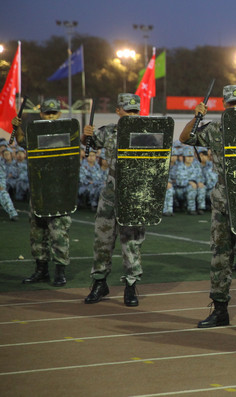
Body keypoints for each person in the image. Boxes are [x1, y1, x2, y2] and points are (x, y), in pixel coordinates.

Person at [182, 85, 236, 333]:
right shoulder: (214, 129)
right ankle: (220, 312)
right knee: (220, 257)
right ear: (224, 104)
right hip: (222, 197)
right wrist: (196, 117)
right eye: (232, 104)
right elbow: (185, 138)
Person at [82, 94, 146, 307]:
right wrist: (85, 135)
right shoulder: (109, 131)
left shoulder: (146, 132)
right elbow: (89, 143)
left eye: (135, 111)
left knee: (131, 242)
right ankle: (99, 283)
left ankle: (130, 286)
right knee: (103, 239)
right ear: (118, 111)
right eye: (128, 110)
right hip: (111, 190)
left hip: (134, 191)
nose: (132, 115)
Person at [15, 98, 73, 286]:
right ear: (41, 114)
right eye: (47, 113)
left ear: (59, 114)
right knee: (37, 232)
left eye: (54, 113)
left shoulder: (67, 133)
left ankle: (60, 272)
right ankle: (41, 270)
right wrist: (17, 127)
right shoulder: (36, 133)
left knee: (59, 233)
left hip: (59, 191)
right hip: (39, 190)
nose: (50, 116)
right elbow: (22, 142)